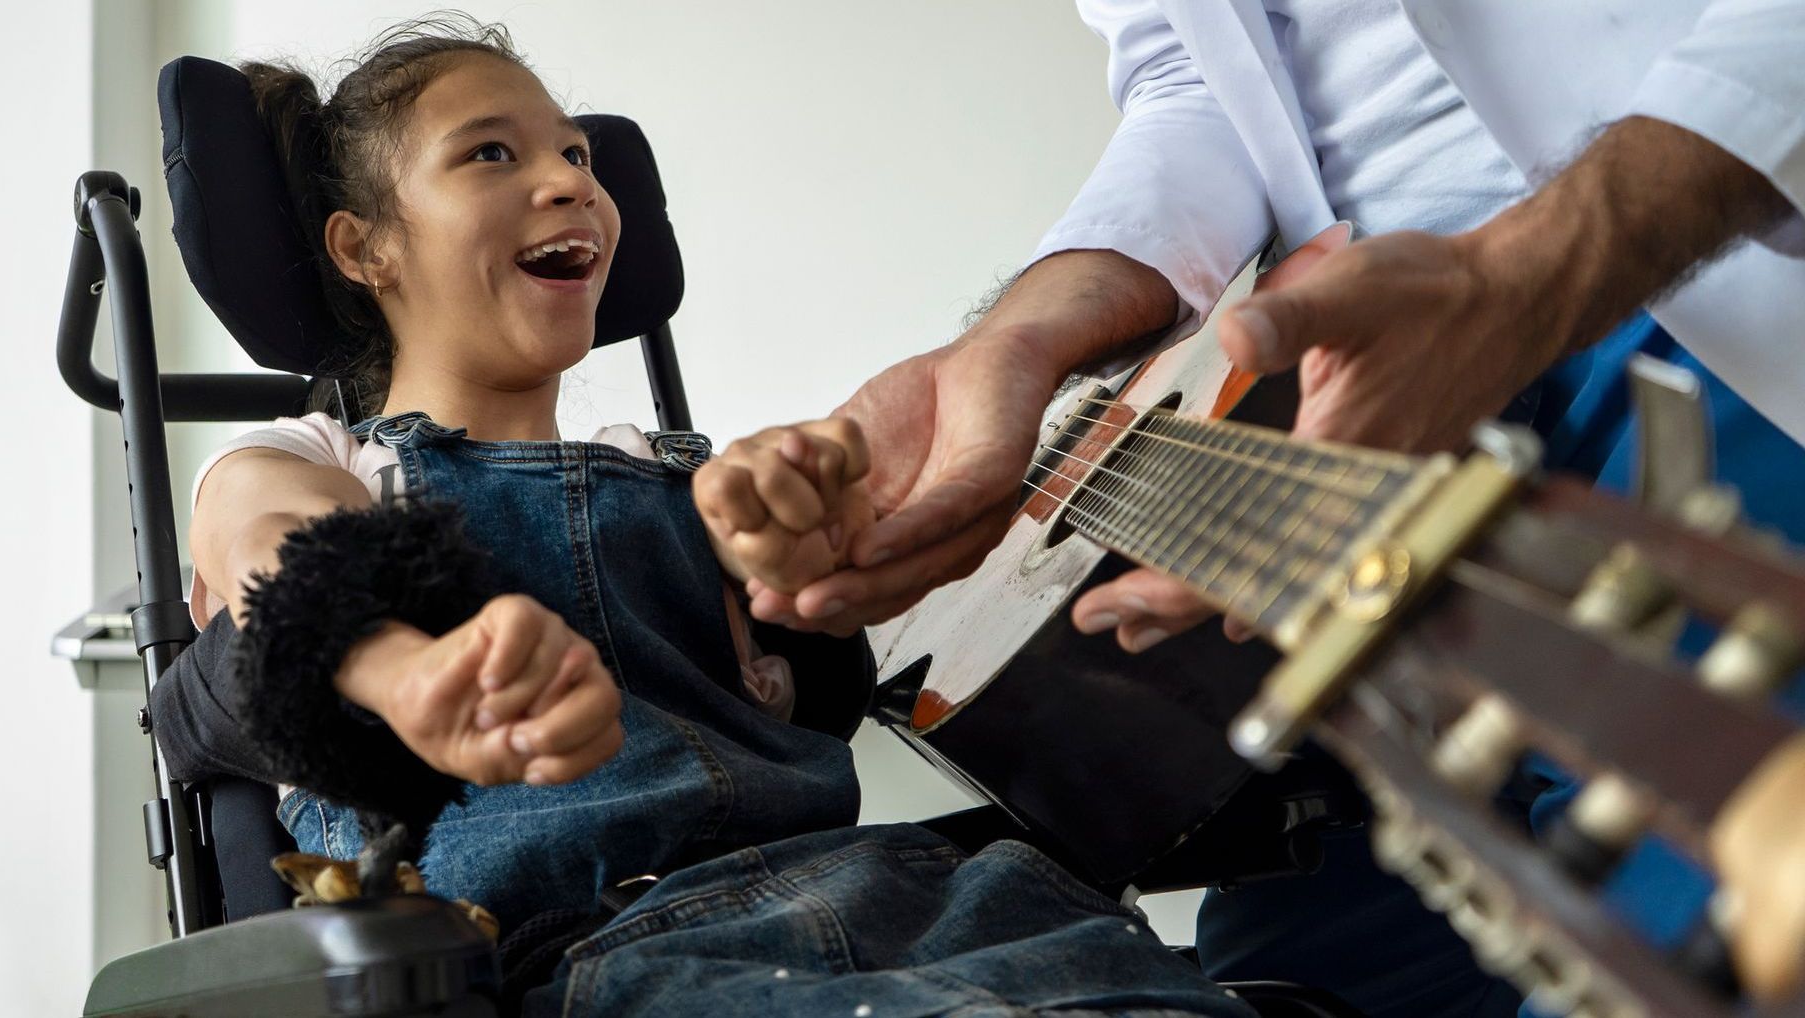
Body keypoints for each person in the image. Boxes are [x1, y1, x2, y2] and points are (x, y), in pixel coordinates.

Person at [172, 16, 1258, 1017]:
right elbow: (287, 560)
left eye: (577, 156)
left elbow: (805, 677)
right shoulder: (322, 460)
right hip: (579, 954)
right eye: (491, 153)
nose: (565, 180)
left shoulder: (693, 474)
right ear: (366, 248)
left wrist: (806, 566)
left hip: (901, 889)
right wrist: (410, 676)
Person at [740, 2, 1805, 1016]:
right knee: (1283, 982)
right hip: (1325, 416)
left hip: (1703, 306)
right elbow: (1189, 73)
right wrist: (1015, 345)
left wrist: (1522, 275)